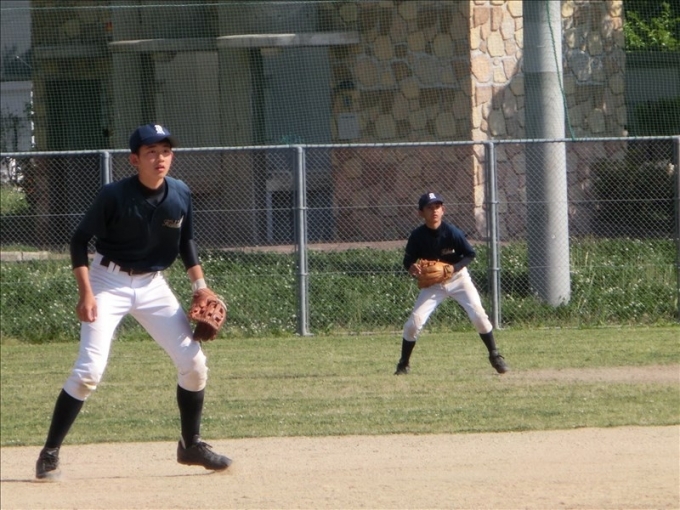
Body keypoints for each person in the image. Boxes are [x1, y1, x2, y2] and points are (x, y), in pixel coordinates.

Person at [35, 124, 232, 481]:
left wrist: (200, 286)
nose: (160, 158)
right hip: (107, 281)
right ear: (134, 160)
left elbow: (186, 242)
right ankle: (49, 453)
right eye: (151, 152)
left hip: (153, 285)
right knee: (89, 371)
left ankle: (190, 445)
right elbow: (79, 241)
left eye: (165, 151)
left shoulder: (180, 193)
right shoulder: (114, 195)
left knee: (194, 364)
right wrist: (86, 292)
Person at [394, 191, 509, 375]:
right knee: (414, 323)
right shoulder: (417, 236)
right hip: (433, 285)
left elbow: (470, 254)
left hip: (458, 279)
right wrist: (412, 267)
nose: (434, 211)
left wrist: (453, 268)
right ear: (420, 213)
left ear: (443, 210)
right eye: (429, 208)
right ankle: (403, 363)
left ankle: (495, 355)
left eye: (437, 207)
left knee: (479, 315)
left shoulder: (452, 233)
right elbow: (408, 260)